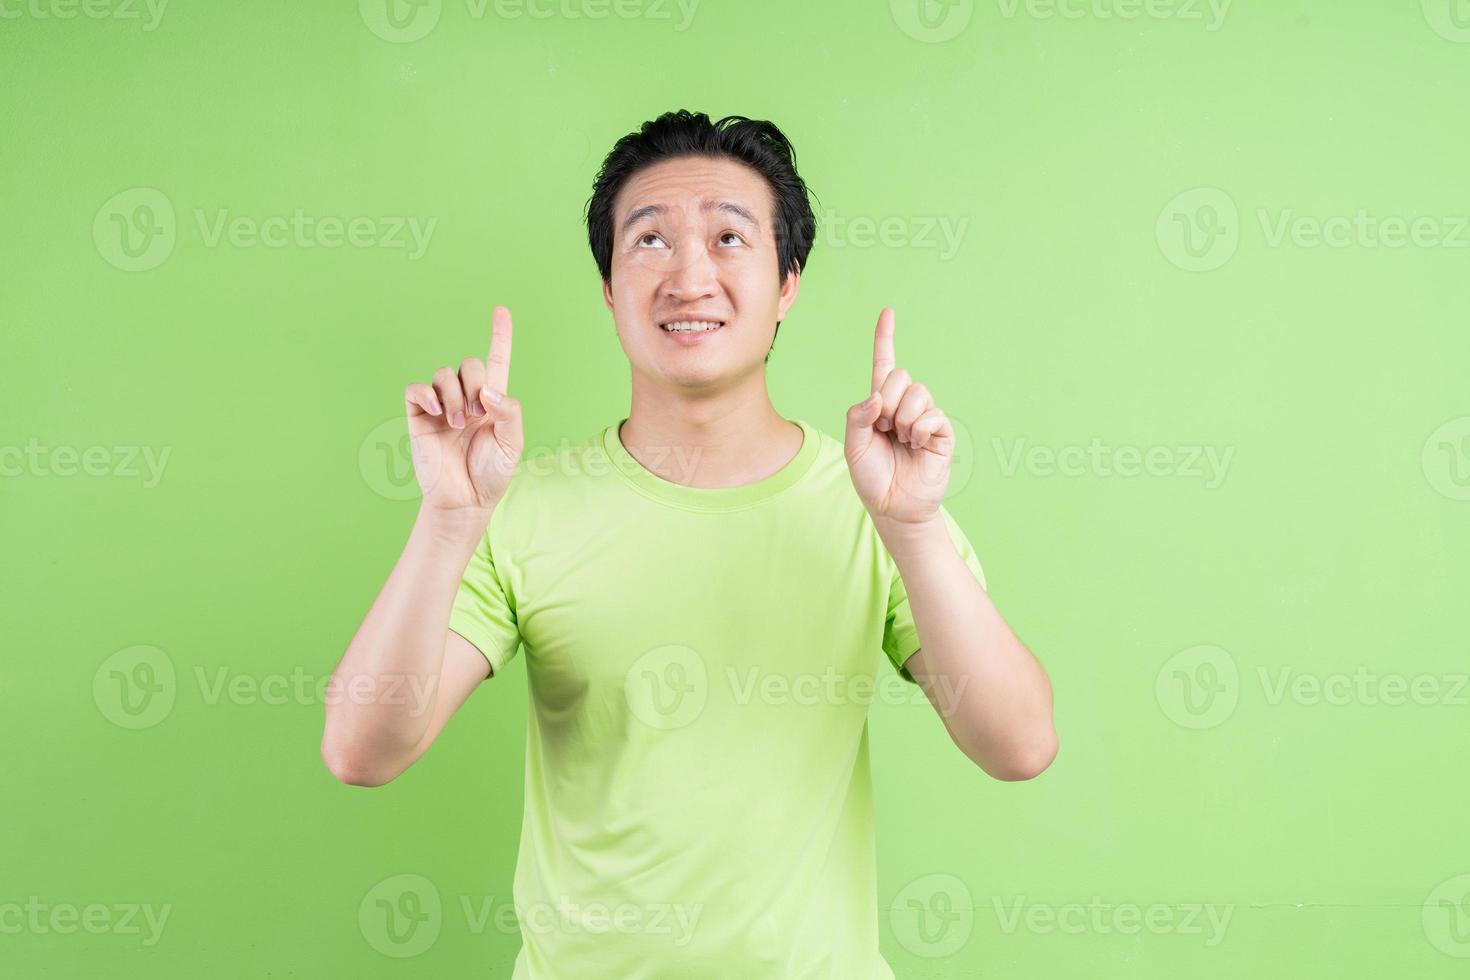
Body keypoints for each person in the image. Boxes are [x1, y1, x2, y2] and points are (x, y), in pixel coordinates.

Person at [322, 109, 1057, 978]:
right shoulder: (519, 506)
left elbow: (1019, 745)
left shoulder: (878, 504)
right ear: (608, 287)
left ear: (788, 283)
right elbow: (361, 751)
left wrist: (916, 527)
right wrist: (447, 521)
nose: (690, 276)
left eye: (729, 237)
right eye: (650, 241)